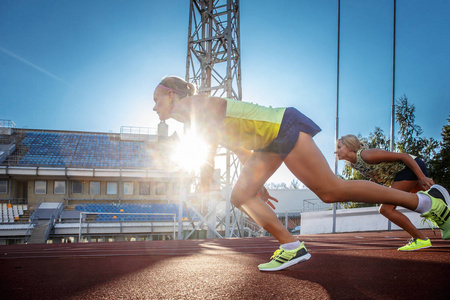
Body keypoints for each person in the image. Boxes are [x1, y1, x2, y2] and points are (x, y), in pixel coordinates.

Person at [153, 75, 450, 271]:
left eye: (156, 100)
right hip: (267, 144)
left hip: (282, 127)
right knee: (241, 194)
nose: (154, 108)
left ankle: (429, 204)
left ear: (170, 95)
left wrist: (206, 165)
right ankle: (291, 245)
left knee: (332, 190)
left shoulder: (193, 106)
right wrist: (259, 182)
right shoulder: (193, 119)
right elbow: (238, 147)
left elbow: (205, 128)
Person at [335, 134, 439, 251]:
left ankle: (420, 239)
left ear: (349, 147)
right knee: (430, 204)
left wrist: (422, 177)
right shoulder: (355, 165)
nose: (336, 151)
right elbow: (375, 173)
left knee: (386, 209)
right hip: (401, 174)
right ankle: (444, 223)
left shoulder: (366, 155)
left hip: (408, 168)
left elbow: (404, 156)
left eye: (339, 147)